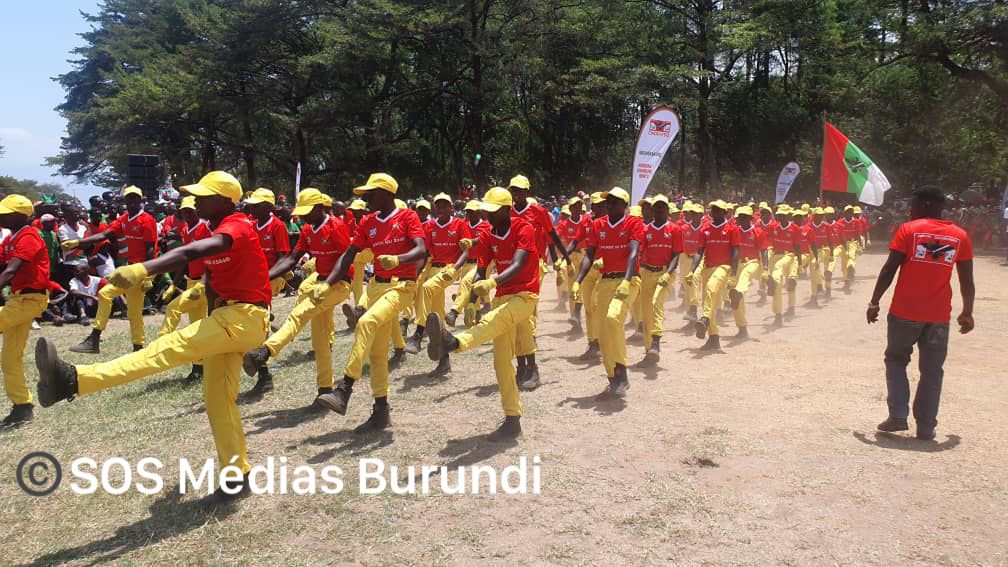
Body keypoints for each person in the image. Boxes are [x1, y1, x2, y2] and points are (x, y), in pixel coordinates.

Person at [36, 170, 272, 504]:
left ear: (224, 200)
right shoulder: (215, 227)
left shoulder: (237, 225)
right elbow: (214, 275)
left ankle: (74, 380)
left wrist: (143, 268)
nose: (195, 200)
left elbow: (198, 250)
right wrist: (196, 293)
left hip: (245, 318)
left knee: (162, 349)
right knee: (219, 403)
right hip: (229, 318)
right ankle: (237, 480)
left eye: (204, 196)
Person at [314, 173, 426, 433]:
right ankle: (380, 412)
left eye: (370, 194)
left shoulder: (407, 216)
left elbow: (421, 249)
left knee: (365, 322)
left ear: (387, 194)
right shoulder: (367, 221)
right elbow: (349, 254)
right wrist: (328, 282)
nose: (365, 199)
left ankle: (344, 390)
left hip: (401, 286)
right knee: (376, 355)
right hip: (376, 286)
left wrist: (398, 260)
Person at [424, 186, 535, 440]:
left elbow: (518, 264)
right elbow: (482, 270)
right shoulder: (487, 235)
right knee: (500, 361)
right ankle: (512, 419)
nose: (489, 217)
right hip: (502, 296)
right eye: (487, 212)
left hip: (525, 295)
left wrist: (493, 282)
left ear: (507, 210)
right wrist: (473, 301)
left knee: (494, 319)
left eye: (493, 212)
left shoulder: (522, 228)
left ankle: (453, 342)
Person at [867, 185, 975, 441]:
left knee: (895, 360)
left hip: (904, 312)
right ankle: (926, 427)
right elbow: (967, 281)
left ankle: (898, 416)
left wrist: (874, 302)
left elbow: (889, 268)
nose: (909, 210)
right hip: (938, 317)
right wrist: (967, 312)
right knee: (932, 370)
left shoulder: (909, 230)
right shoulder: (960, 236)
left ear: (926, 204)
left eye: (913, 205)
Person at [242, 188, 354, 402]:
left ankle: (266, 351)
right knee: (320, 343)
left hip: (339, 284)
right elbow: (292, 258)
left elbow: (345, 258)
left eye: (307, 211)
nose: (302, 216)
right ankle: (324, 391)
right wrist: (265, 278)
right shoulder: (308, 228)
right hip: (322, 282)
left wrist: (328, 283)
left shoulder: (336, 226)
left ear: (320, 208)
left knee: (300, 313)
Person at [64, 186, 159, 353]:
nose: (131, 202)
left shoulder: (147, 220)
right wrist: (79, 243)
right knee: (105, 294)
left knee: (134, 312)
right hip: (130, 268)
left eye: (134, 199)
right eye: (128, 199)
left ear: (140, 200)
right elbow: (104, 235)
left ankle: (137, 348)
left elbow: (151, 249)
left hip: (141, 269)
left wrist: (148, 276)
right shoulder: (124, 219)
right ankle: (95, 339)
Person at [571, 187, 643, 397]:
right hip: (606, 281)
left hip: (628, 280)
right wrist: (578, 280)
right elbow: (589, 255)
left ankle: (622, 372)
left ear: (625, 205)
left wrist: (626, 281)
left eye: (614, 202)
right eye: (608, 202)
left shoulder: (633, 223)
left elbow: (633, 253)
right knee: (603, 332)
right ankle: (613, 379)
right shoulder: (597, 225)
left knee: (613, 319)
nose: (609, 205)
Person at [0, 195, 51, 426]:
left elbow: (10, 271)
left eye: (5, 212)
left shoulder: (29, 236)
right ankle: (22, 406)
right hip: (18, 299)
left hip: (30, 300)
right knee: (10, 358)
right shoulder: (11, 238)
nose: (1, 215)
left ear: (21, 215)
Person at [404, 193, 471, 367]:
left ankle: (418, 335)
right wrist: (415, 273)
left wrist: (455, 269)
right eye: (438, 205)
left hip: (450, 269)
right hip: (434, 268)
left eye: (444, 205)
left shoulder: (460, 224)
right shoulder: (431, 226)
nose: (441, 209)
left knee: (426, 288)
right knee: (437, 314)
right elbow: (425, 253)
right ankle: (444, 359)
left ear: (451, 208)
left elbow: (465, 251)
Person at [157, 196, 212, 382]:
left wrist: (202, 283)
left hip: (206, 283)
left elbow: (212, 258)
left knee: (173, 308)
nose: (187, 214)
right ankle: (199, 367)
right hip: (192, 281)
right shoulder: (186, 231)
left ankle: (161, 344)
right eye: (184, 212)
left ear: (197, 211)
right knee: (196, 328)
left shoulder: (205, 228)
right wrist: (174, 283)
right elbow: (185, 259)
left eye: (190, 211)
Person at [685, 200, 739, 351]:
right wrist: (692, 270)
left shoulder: (732, 229)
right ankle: (713, 337)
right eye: (712, 210)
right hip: (708, 268)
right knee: (709, 303)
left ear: (725, 212)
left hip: (724, 267)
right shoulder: (705, 229)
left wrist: (733, 274)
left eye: (717, 210)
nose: (713, 212)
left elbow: (735, 252)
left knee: (710, 288)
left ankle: (704, 319)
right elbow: (699, 252)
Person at [636, 194, 682, 365]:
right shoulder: (646, 230)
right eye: (656, 207)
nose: (659, 210)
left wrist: (667, 274)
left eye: (663, 207)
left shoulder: (675, 229)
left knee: (656, 304)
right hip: (647, 273)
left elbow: (676, 255)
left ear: (668, 210)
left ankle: (656, 340)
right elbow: (640, 252)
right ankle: (649, 351)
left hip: (665, 273)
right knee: (646, 313)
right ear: (652, 210)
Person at [728, 206, 768, 339]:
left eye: (745, 217)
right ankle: (742, 327)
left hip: (753, 263)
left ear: (751, 219)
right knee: (734, 298)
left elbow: (764, 251)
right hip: (736, 264)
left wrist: (766, 269)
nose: (742, 219)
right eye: (740, 217)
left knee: (745, 277)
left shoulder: (758, 232)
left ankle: (739, 292)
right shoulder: (734, 231)